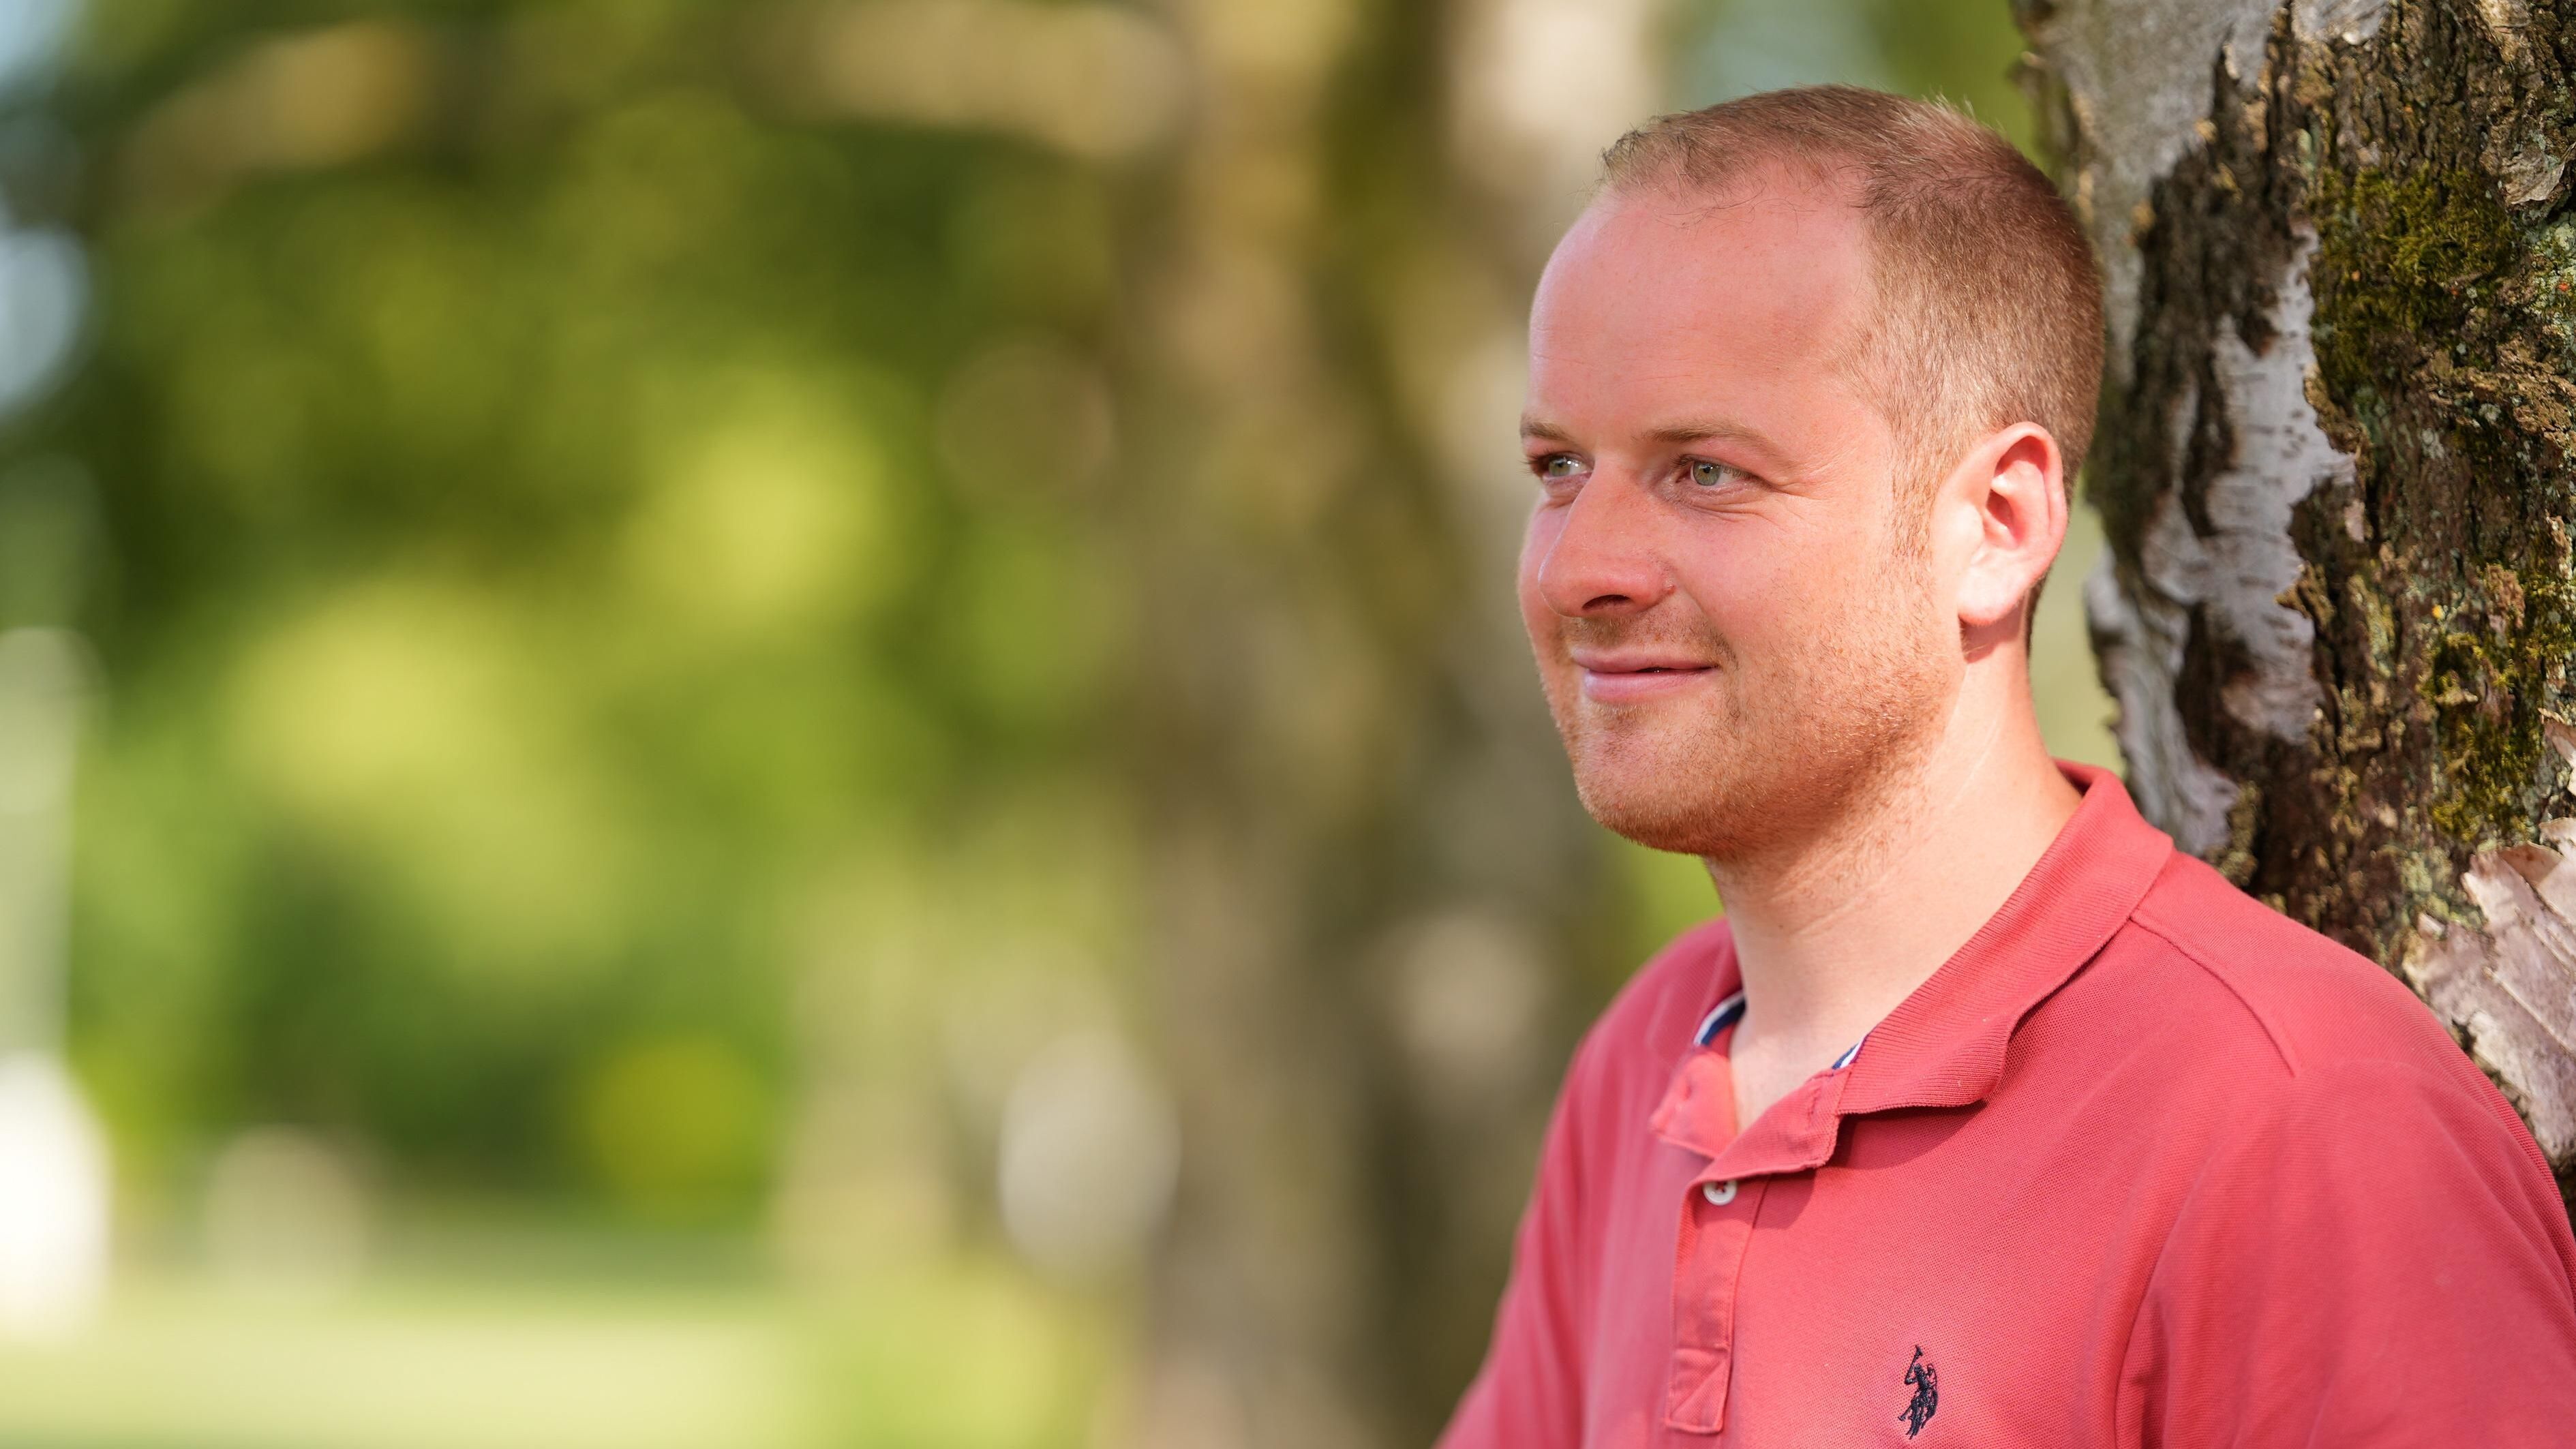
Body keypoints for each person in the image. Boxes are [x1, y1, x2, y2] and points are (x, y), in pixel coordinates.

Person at [1437, 85, 2576, 1447]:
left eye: (1707, 472)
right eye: (1560, 466)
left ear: (1995, 522)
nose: (1580, 567)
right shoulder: (1650, 1062)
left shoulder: (2300, 1122)